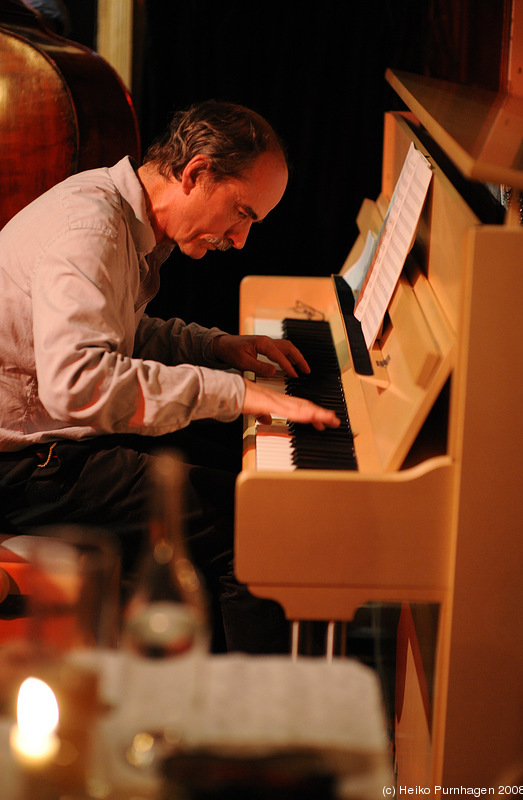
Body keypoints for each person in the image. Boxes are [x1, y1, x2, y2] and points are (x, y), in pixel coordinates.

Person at [0, 100, 339, 652]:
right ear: (197, 173)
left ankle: (207, 670)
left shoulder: (115, 209)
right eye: (242, 213)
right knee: (256, 534)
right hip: (24, 466)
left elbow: (120, 331)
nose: (239, 239)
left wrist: (219, 348)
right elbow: (80, 383)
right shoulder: (91, 229)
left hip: (53, 439)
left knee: (237, 466)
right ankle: (249, 729)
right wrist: (234, 392)